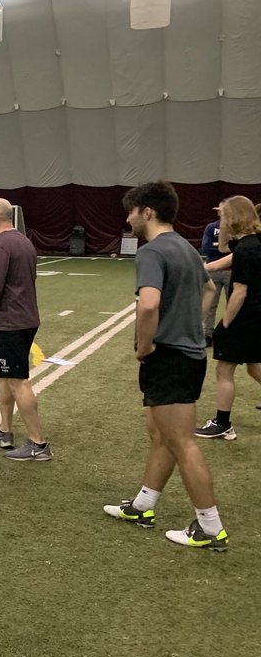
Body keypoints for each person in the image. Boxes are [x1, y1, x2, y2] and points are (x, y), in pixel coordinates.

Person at [104, 180, 228, 550]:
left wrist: (144, 346)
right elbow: (208, 289)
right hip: (187, 357)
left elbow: (148, 305)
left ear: (147, 212)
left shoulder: (153, 252)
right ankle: (143, 506)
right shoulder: (188, 249)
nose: (128, 220)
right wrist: (189, 326)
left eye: (131, 211)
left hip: (168, 358)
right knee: (162, 437)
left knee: (182, 442)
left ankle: (210, 527)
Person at [0, 198, 50, 461]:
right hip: (26, 319)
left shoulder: (0, 245)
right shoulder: (24, 242)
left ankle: (38, 444)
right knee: (3, 372)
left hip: (12, 322)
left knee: (17, 380)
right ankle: (5, 431)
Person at [194, 195, 261, 441]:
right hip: (257, 316)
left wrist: (225, 324)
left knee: (224, 370)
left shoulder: (247, 248)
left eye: (223, 215)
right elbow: (225, 251)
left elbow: (240, 292)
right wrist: (205, 268)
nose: (220, 219)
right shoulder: (252, 243)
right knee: (254, 367)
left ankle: (222, 423)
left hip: (247, 317)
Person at [200, 203, 229, 347]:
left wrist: (218, 246)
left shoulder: (236, 227)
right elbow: (206, 247)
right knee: (210, 304)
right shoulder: (211, 227)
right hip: (214, 271)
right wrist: (223, 248)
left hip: (232, 270)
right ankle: (207, 335)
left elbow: (239, 248)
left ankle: (230, 334)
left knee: (233, 304)